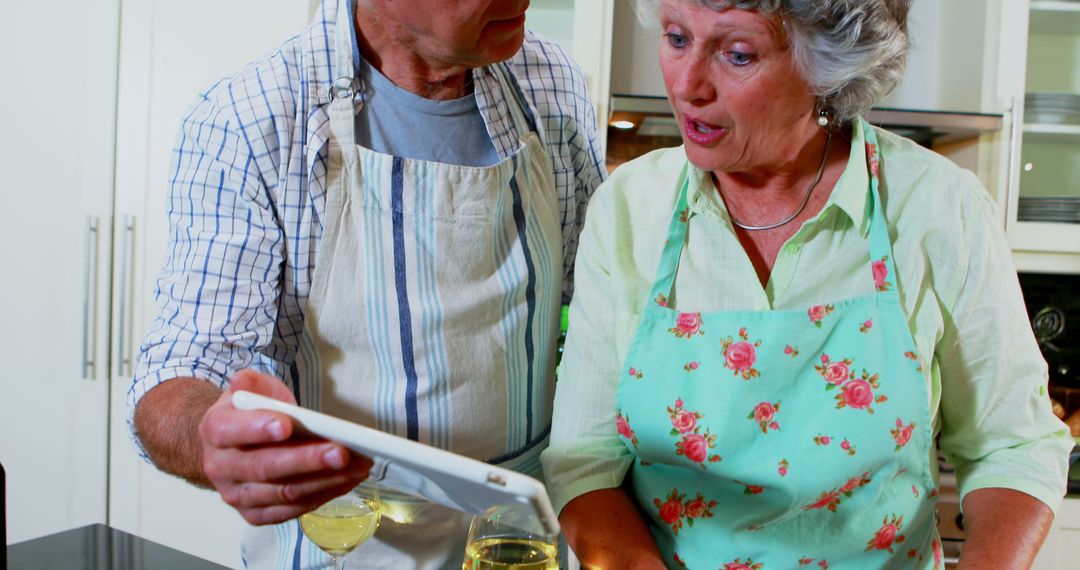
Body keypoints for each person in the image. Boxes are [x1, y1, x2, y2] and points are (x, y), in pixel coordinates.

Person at [541, 0, 1073, 568]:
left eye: (737, 54)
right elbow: (585, 462)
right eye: (675, 37)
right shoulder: (629, 209)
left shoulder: (939, 207)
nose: (686, 83)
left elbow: (1011, 446)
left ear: (828, 67)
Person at [127, 0, 605, 567]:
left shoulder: (552, 83)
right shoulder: (251, 117)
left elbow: (598, 315)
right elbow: (181, 371)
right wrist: (215, 439)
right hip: (344, 541)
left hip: (516, 544)